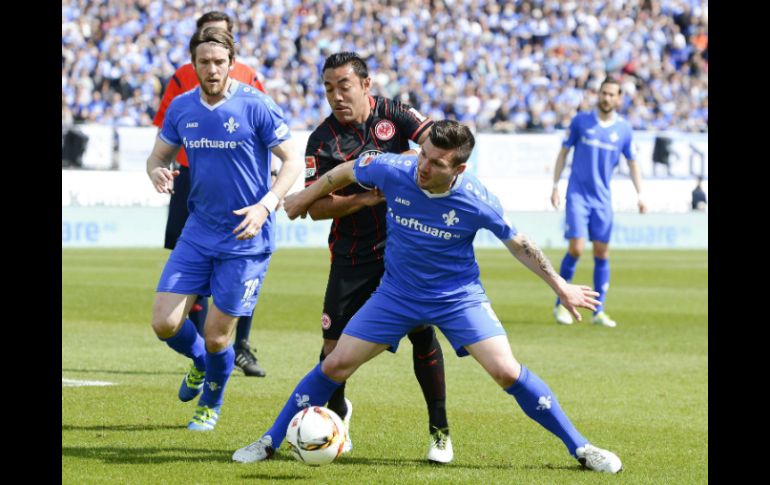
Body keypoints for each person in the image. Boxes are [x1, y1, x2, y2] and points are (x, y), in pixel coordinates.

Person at [232, 120, 623, 474]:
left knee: (506, 371)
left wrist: (560, 286)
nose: (423, 166)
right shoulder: (395, 169)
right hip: (396, 294)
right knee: (335, 365)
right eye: (424, 154)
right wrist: (304, 196)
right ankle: (269, 441)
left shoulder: (476, 199)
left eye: (437, 163)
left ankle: (582, 448)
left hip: (458, 297)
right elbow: (345, 171)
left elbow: (519, 243)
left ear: (459, 169)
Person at [146, 27, 302, 431]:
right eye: (204, 62)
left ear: (232, 64)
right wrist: (157, 171)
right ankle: (200, 363)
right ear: (193, 65)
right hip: (198, 231)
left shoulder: (256, 105)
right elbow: (157, 156)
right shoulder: (182, 108)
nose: (212, 69)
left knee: (218, 336)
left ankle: (210, 403)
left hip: (245, 238)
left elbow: (292, 162)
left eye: (219, 62)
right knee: (164, 323)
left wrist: (266, 206)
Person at [301, 52, 451, 461]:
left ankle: (439, 432)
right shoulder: (322, 140)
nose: (336, 96)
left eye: (344, 86)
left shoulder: (395, 114)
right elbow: (314, 207)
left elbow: (437, 147)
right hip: (351, 254)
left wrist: (403, 163)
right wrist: (366, 197)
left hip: (404, 248)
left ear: (366, 85)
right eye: (329, 88)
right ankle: (335, 416)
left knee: (422, 332)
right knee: (332, 348)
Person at [152, 11, 269, 377]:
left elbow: (267, 132)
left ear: (231, 48)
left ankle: (238, 346)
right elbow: (163, 135)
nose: (212, 65)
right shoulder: (183, 80)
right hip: (189, 177)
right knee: (191, 271)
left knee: (237, 277)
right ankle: (203, 345)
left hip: (241, 190)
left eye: (222, 39)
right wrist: (160, 166)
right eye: (208, 36)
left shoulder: (248, 78)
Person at [550, 77, 647, 328]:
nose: (606, 98)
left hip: (603, 199)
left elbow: (633, 163)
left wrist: (641, 195)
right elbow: (563, 153)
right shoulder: (581, 121)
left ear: (619, 98)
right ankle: (561, 304)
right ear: (598, 94)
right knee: (577, 249)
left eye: (612, 94)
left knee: (602, 253)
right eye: (603, 93)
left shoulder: (624, 129)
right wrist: (555, 186)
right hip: (578, 196)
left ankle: (599, 311)